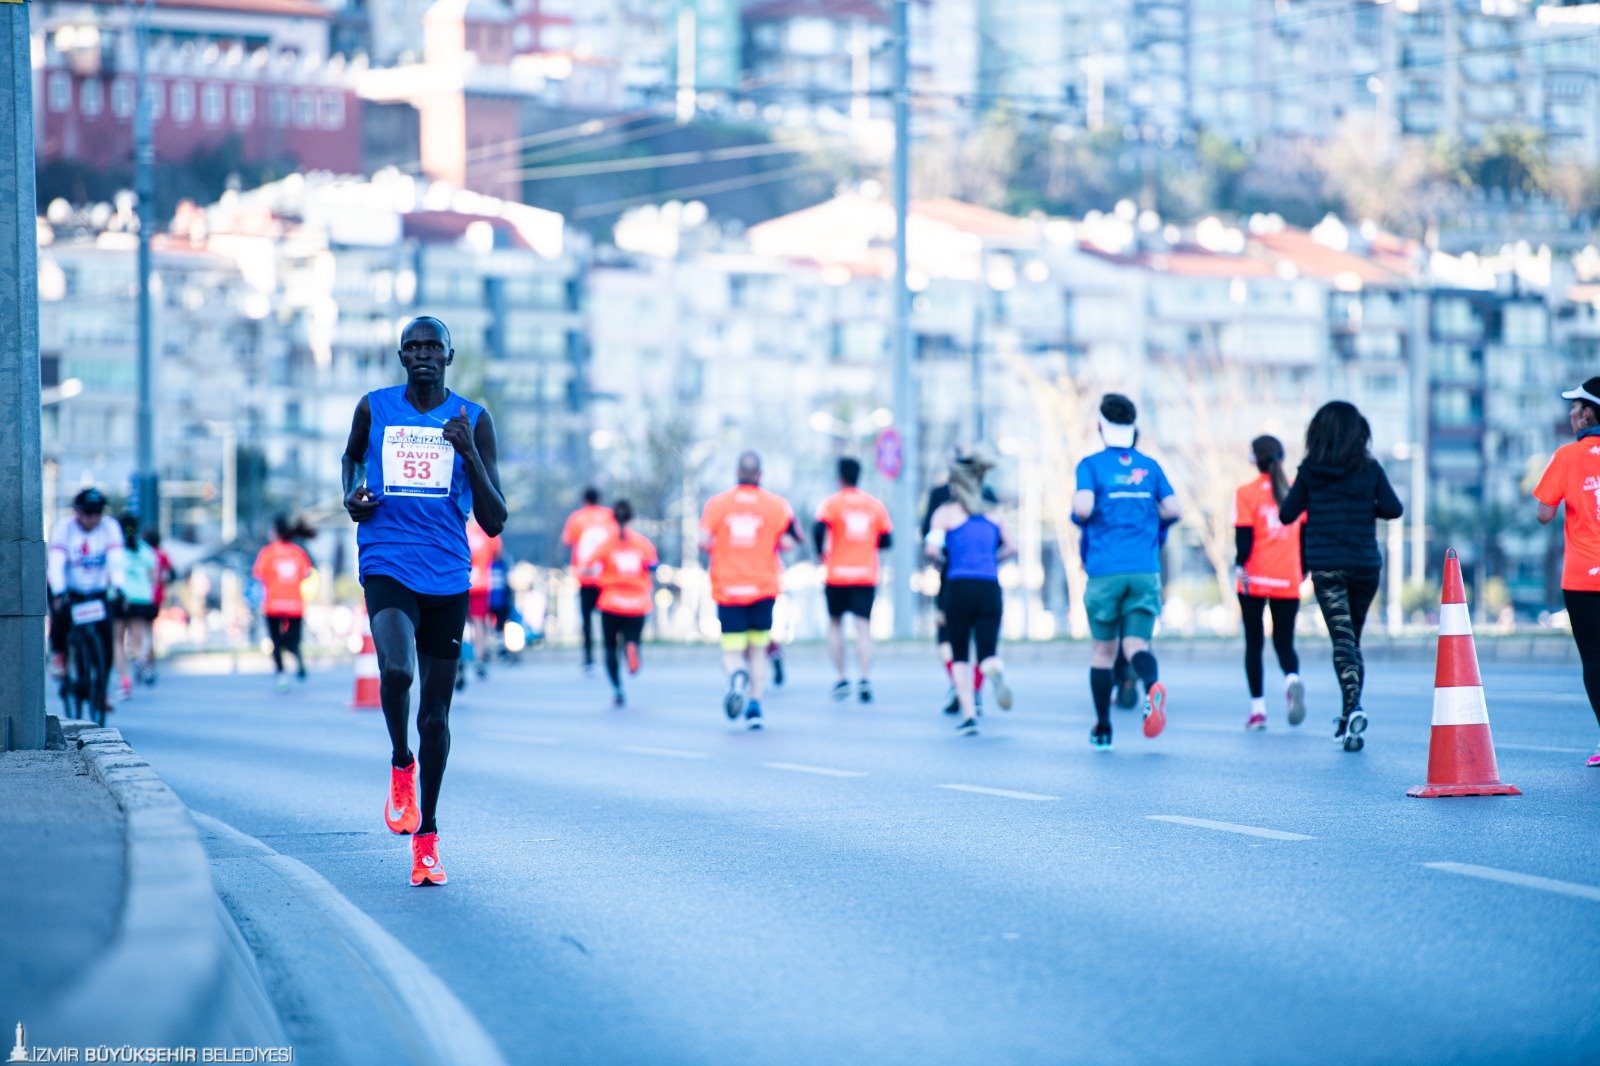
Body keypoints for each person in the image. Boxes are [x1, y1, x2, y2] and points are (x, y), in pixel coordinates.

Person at [343, 316, 507, 886]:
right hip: (386, 560)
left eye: (432, 346)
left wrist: (470, 454)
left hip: (447, 574)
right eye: (412, 347)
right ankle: (400, 762)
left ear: (448, 356)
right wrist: (351, 494)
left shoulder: (473, 419)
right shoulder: (374, 407)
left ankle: (427, 837)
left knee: (435, 717)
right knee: (395, 670)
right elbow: (350, 458)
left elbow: (494, 519)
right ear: (401, 356)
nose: (422, 354)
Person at [1279, 400, 1403, 753]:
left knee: (1342, 642)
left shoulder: (1310, 471)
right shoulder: (1370, 468)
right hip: (1365, 565)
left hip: (1328, 566)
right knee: (1352, 642)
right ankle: (1349, 716)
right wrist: (1364, 508)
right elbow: (1394, 508)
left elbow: (1287, 515)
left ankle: (1354, 709)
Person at [1073, 394, 1180, 750]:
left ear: (1100, 426)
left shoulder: (1090, 465)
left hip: (1106, 570)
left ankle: (1103, 729)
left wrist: (1080, 510)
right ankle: (1151, 687)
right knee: (1136, 645)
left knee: (1103, 652)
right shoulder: (1150, 467)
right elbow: (1174, 509)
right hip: (1145, 570)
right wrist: (1146, 517)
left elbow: (1083, 508)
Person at [700, 451, 800, 729]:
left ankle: (736, 675)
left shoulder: (717, 505)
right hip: (763, 587)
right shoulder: (777, 505)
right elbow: (790, 542)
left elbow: (703, 541)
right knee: (758, 648)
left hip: (729, 587)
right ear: (760, 474)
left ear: (737, 472)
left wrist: (724, 547)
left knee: (731, 649)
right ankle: (755, 707)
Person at [926, 445, 1016, 735]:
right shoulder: (995, 513)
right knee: (986, 650)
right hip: (989, 586)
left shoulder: (945, 514)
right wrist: (993, 559)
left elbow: (932, 550)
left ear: (955, 484)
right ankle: (994, 666)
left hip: (958, 586)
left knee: (960, 652)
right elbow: (1013, 546)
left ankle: (968, 714)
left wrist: (942, 561)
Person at [1533, 376, 1600, 767]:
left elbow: (1544, 513)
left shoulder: (1567, 456)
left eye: (1574, 408)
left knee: (1594, 657)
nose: (1571, 415)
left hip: (1583, 577)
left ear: (1587, 414)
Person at [1233, 435, 1306, 731]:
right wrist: (1304, 570)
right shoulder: (1297, 490)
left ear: (1254, 460)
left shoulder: (1245, 493)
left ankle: (1258, 710)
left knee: (1254, 643)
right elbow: (1305, 535)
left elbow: (1244, 539)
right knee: (1284, 641)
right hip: (1288, 575)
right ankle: (1292, 680)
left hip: (1254, 578)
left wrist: (1239, 564)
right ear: (1282, 457)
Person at [814, 457, 894, 703]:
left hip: (837, 574)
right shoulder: (874, 505)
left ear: (840, 477)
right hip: (864, 574)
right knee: (863, 628)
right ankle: (864, 678)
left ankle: (841, 678)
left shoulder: (832, 504)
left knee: (835, 624)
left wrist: (821, 552)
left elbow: (818, 529)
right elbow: (887, 540)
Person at [47, 488, 125, 717]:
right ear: (77, 513)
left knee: (107, 639)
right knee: (60, 616)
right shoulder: (64, 529)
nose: (93, 518)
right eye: (88, 513)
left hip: (98, 591)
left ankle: (102, 690)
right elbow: (56, 563)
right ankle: (59, 655)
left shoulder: (110, 527)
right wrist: (60, 591)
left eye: (97, 513)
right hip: (70, 589)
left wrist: (118, 587)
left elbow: (116, 561)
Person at [588, 500, 659, 707]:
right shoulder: (643, 543)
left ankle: (617, 688)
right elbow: (653, 567)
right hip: (637, 603)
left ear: (613, 518)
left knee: (610, 647)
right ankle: (631, 647)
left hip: (611, 601)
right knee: (632, 637)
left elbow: (589, 567)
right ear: (631, 518)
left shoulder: (606, 544)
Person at [252, 516, 315, 693]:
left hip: (273, 605)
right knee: (293, 639)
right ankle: (297, 655)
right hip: (295, 605)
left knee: (276, 642)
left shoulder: (268, 553)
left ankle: (281, 677)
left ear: (275, 532)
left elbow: (258, 575)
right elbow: (307, 574)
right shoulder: (298, 552)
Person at [561, 487, 615, 675]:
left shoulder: (577, 518)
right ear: (599, 498)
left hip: (585, 576)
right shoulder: (609, 516)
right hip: (606, 577)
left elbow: (567, 541)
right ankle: (611, 655)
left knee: (587, 621)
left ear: (584, 499)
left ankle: (589, 659)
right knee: (609, 619)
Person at [113, 516, 160, 698]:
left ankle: (125, 682)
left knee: (118, 641)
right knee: (138, 639)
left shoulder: (115, 550)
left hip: (119, 598)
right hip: (141, 598)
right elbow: (154, 576)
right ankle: (140, 660)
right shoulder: (146, 550)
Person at [462, 516, 502, 687]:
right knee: (479, 622)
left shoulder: (462, 528)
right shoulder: (487, 529)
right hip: (481, 583)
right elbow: (498, 553)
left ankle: (459, 657)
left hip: (461, 581)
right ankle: (479, 659)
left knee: (460, 622)